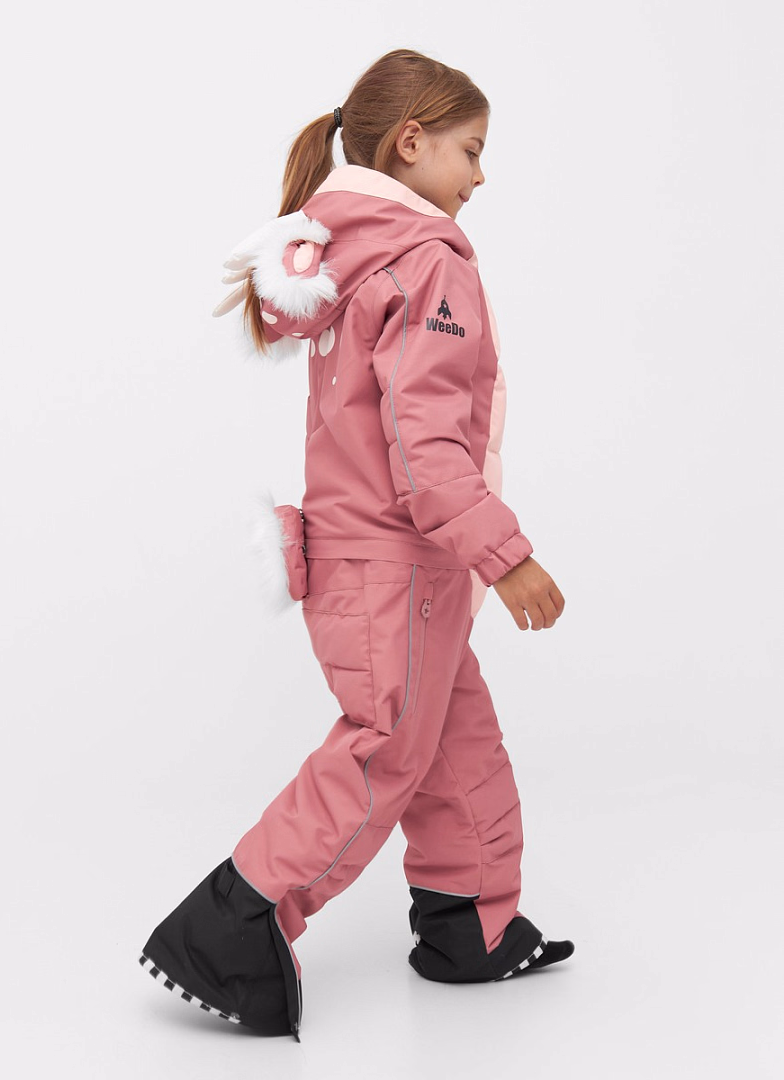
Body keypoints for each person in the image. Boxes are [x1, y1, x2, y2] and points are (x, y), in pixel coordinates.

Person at [138, 48, 573, 1042]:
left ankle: (470, 926)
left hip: (373, 561)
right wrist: (507, 557)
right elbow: (427, 444)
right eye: (471, 150)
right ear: (411, 142)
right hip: (397, 562)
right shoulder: (424, 259)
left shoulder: (346, 256)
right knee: (383, 750)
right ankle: (230, 923)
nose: (481, 175)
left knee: (456, 743)